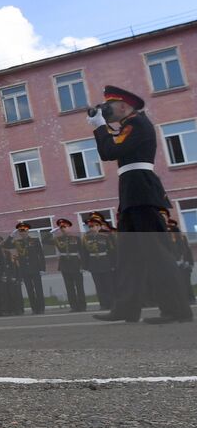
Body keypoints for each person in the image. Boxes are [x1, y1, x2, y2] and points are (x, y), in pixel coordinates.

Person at [89, 86, 191, 323]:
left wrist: (98, 127)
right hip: (132, 193)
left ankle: (177, 310)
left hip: (141, 193)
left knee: (157, 254)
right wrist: (103, 127)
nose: (105, 110)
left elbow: (109, 151)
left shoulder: (137, 123)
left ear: (124, 106)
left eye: (109, 106)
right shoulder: (129, 125)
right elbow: (114, 148)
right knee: (129, 257)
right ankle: (127, 308)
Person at [7, 222, 45, 315]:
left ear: (27, 230)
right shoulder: (17, 242)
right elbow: (6, 245)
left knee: (38, 289)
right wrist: (11, 236)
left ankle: (41, 308)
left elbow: (41, 255)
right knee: (29, 290)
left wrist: (42, 268)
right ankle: (34, 308)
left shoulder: (35, 240)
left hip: (35, 268)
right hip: (24, 269)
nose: (22, 232)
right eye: (20, 231)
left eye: (23, 230)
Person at [81, 214, 115, 310]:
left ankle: (112, 303)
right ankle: (103, 304)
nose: (93, 228)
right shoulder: (86, 237)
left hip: (106, 262)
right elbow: (84, 252)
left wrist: (113, 263)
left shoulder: (107, 235)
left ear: (99, 226)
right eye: (91, 226)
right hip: (94, 263)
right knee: (99, 286)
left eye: (95, 225)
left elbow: (112, 251)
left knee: (109, 284)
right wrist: (85, 265)